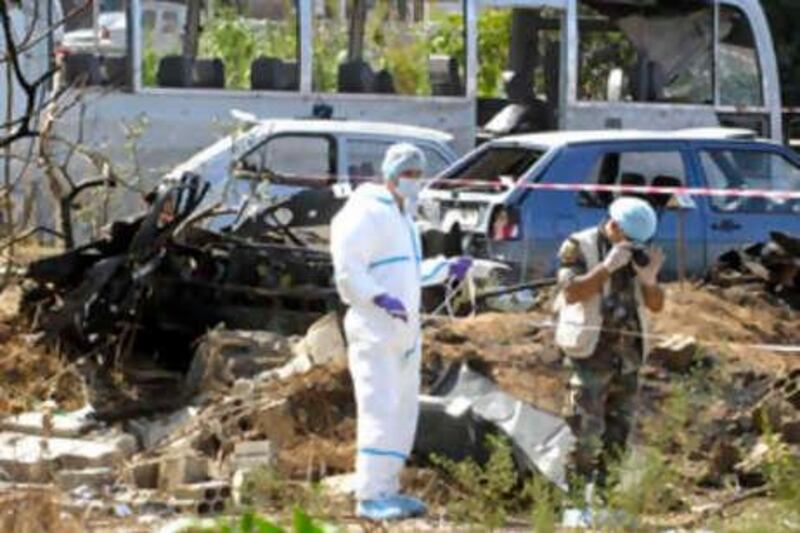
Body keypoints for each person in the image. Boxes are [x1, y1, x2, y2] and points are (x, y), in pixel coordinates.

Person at [330, 143, 472, 521]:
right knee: (378, 406)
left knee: (401, 409)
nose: (414, 181)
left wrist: (444, 269)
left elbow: (405, 271)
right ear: (390, 174)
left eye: (417, 175)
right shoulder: (362, 214)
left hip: (404, 331)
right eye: (408, 174)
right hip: (375, 328)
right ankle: (370, 495)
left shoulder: (401, 216)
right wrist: (378, 297)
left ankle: (388, 487)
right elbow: (348, 272)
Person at [553, 196, 665, 493]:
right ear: (613, 226)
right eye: (629, 240)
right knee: (585, 433)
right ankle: (575, 501)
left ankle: (607, 501)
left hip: (627, 356)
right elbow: (571, 292)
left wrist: (650, 280)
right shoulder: (579, 246)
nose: (633, 247)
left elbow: (655, 306)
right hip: (589, 352)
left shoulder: (639, 253)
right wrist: (607, 266)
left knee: (619, 433)